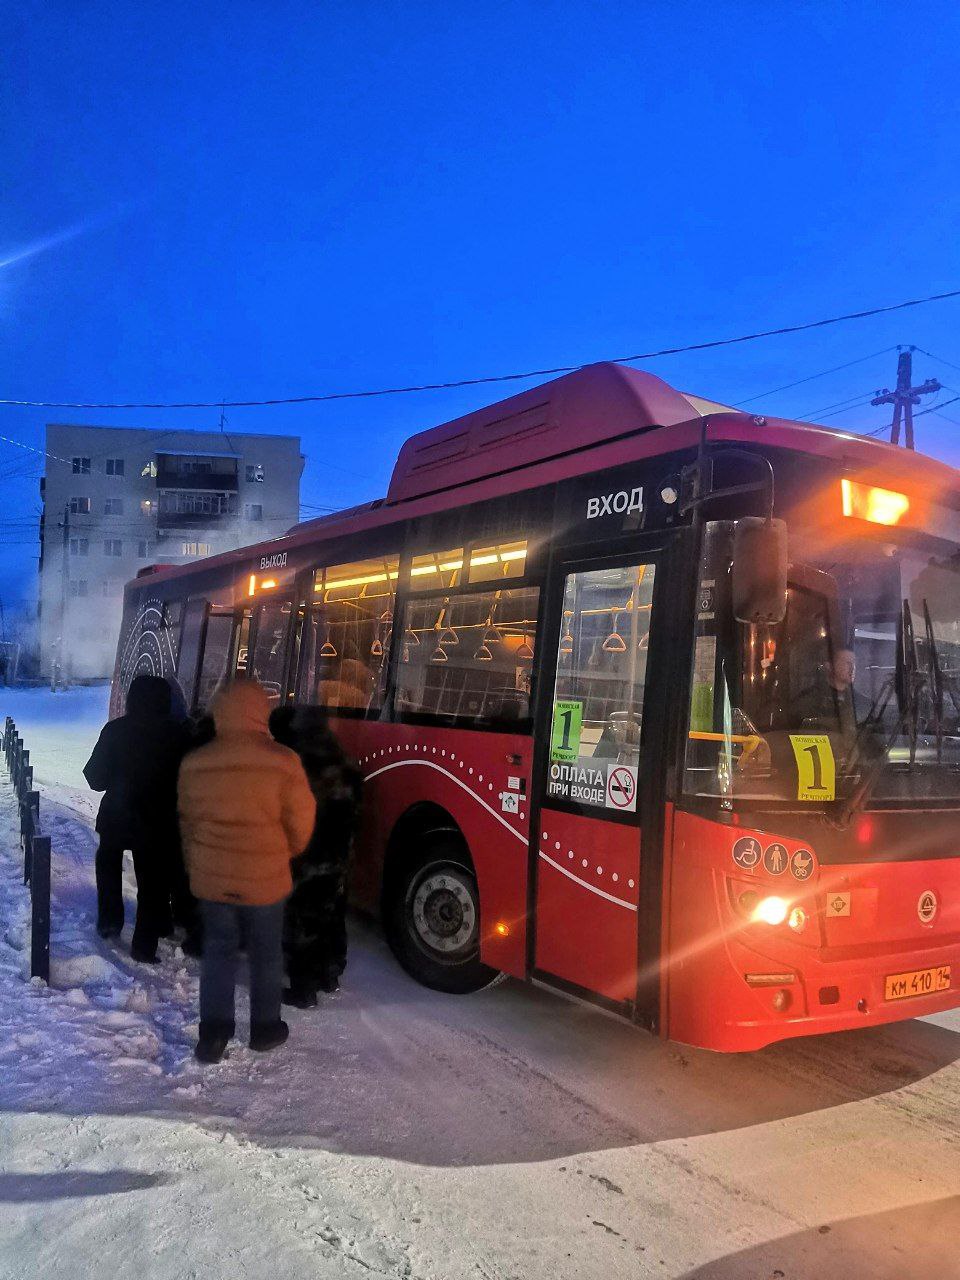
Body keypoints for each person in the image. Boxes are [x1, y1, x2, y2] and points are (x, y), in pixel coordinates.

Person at [178, 680, 315, 1064]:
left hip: (213, 879)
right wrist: (284, 852)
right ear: (261, 712)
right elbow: (301, 821)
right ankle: (265, 1029)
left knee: (218, 953)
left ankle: (213, 1036)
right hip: (266, 880)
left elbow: (188, 823)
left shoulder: (196, 762)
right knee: (266, 953)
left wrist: (198, 864)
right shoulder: (283, 761)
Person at [83, 674, 188, 962]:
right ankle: (144, 946)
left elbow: (94, 777)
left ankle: (109, 922)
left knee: (108, 865)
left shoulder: (115, 730)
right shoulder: (178, 736)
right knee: (152, 884)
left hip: (117, 817)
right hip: (158, 822)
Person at [269, 705, 362, 1007]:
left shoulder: (296, 761)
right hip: (339, 855)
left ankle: (303, 989)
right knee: (333, 914)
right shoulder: (345, 760)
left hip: (306, 854)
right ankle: (330, 974)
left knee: (301, 920)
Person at [793, 646, 859, 740]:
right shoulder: (808, 700)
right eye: (846, 662)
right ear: (829, 665)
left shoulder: (862, 703)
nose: (852, 668)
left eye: (854, 662)